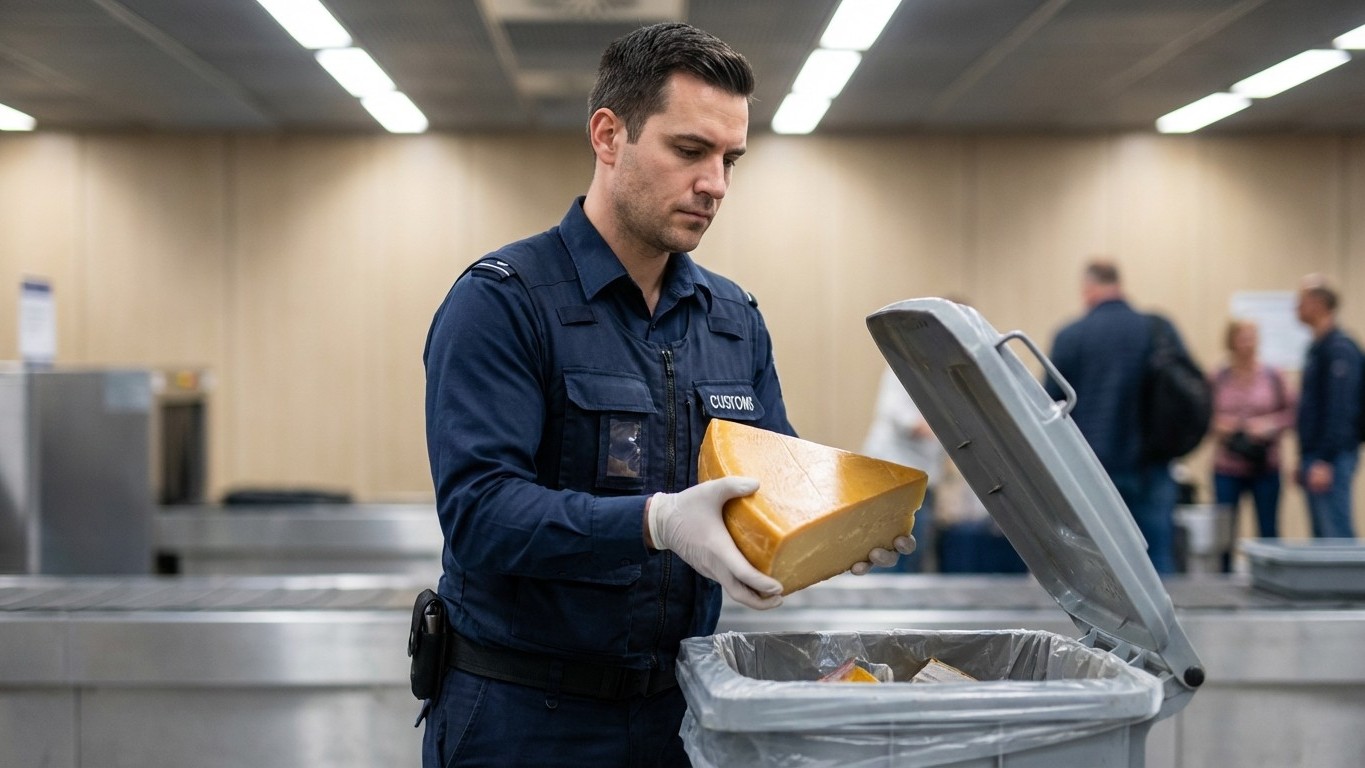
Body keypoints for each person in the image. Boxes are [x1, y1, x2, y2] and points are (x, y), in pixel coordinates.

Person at [420, 23, 912, 767]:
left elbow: (770, 495)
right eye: (689, 151)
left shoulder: (731, 319)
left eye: (729, 159)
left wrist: (840, 530)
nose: (714, 183)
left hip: (675, 716)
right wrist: (656, 522)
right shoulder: (504, 302)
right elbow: (481, 513)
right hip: (524, 719)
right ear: (608, 135)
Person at [1044, 259, 1187, 573]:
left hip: (1090, 467)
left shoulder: (1071, 336)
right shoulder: (1158, 329)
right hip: (1152, 464)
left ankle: (1102, 624)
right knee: (1156, 557)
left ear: (1088, 288)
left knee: (1094, 563)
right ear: (1119, 284)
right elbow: (1186, 391)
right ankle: (1163, 622)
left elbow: (1047, 406)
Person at [1208, 319, 1294, 567]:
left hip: (1264, 464)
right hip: (1228, 465)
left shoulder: (1272, 375)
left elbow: (1292, 413)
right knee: (1224, 530)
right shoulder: (1219, 377)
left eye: (1252, 337)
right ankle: (1221, 580)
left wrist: (1268, 425)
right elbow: (1203, 414)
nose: (1248, 343)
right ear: (1231, 341)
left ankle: (1273, 579)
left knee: (1269, 528)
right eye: (1242, 337)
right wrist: (1224, 425)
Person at [1295, 274, 1361, 539]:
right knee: (1323, 540)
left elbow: (1341, 410)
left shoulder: (1340, 349)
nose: (1296, 308)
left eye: (1300, 301)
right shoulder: (1317, 348)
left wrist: (1325, 459)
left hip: (1331, 458)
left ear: (1318, 303)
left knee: (1336, 540)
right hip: (1317, 456)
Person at [862, 366, 947, 572]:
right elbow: (901, 416)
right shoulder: (903, 369)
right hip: (893, 477)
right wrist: (947, 431)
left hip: (922, 479)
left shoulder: (945, 378)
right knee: (886, 551)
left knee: (914, 551)